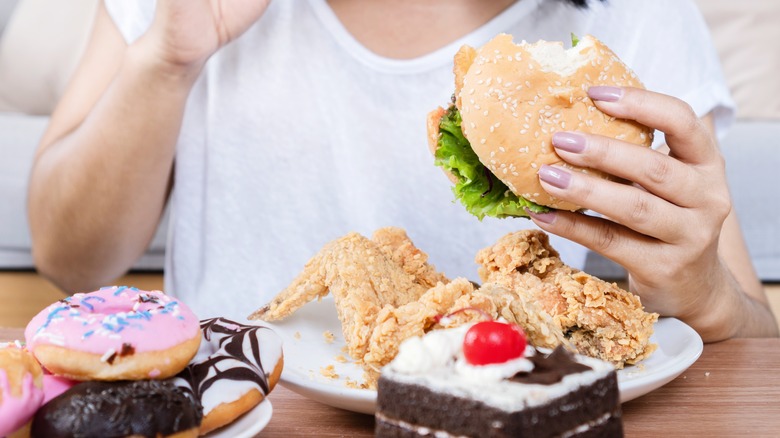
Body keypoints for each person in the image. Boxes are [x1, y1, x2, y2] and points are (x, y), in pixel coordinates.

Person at [27, 0, 778, 341]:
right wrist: (167, 60)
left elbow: (751, 333)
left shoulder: (634, 19)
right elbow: (69, 258)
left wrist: (704, 293)